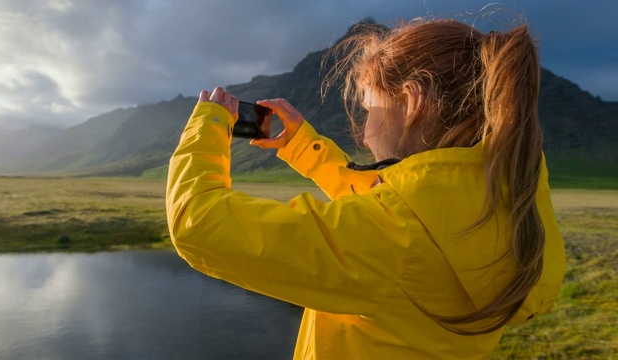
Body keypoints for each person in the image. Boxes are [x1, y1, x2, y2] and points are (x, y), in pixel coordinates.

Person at [166, 18, 566, 359]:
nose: (367, 131)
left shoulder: (396, 238)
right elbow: (401, 204)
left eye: (369, 107)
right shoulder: (508, 200)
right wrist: (303, 147)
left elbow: (198, 224)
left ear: (411, 102)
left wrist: (209, 124)